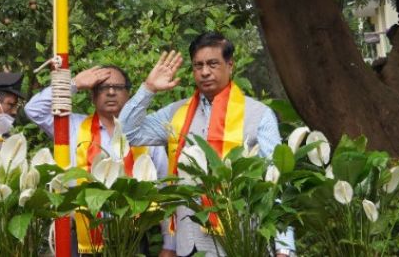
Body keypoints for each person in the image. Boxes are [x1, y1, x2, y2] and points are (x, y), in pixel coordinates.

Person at [118, 32, 294, 257]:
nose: (204, 72)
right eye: (197, 65)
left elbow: (274, 181)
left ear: (230, 65)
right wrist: (149, 89)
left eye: (213, 64)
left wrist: (284, 249)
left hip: (242, 242)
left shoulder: (259, 114)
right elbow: (126, 134)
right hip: (188, 245)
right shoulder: (175, 113)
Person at [26, 62, 171, 255]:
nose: (111, 92)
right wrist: (75, 83)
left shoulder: (147, 133)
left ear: (129, 94)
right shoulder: (72, 127)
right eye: (102, 87)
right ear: (93, 96)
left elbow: (164, 189)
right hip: (82, 237)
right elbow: (33, 110)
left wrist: (170, 245)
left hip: (133, 237)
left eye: (118, 87)